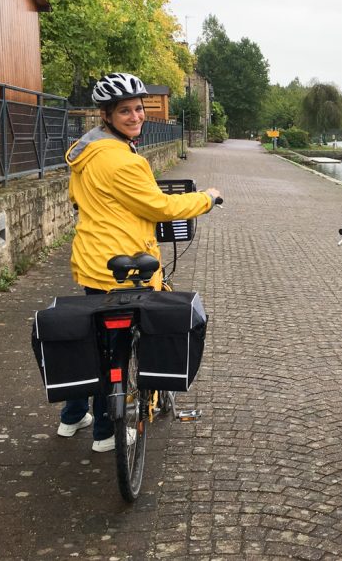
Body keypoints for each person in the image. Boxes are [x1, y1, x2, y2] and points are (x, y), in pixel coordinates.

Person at [57, 72, 220, 452]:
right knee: (114, 349)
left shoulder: (87, 152)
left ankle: (71, 416)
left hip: (92, 258)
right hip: (126, 266)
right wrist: (207, 199)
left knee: (92, 339)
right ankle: (104, 433)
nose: (136, 116)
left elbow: (82, 200)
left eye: (139, 109)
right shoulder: (121, 160)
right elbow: (160, 207)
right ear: (107, 115)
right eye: (125, 111)